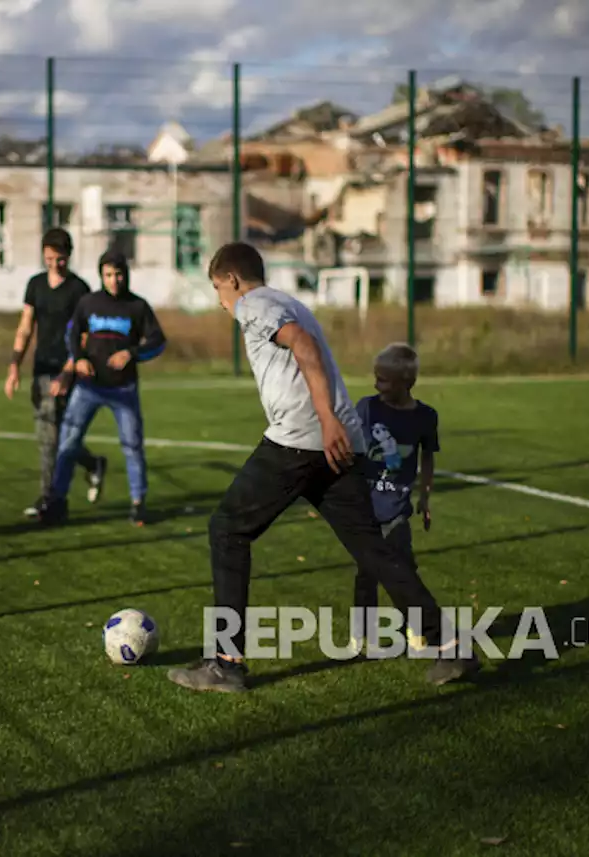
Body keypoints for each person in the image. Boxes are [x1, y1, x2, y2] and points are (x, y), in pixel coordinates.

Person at [166, 242, 477, 693]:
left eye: (218, 288)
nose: (219, 300)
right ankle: (450, 645)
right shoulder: (288, 300)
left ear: (233, 279)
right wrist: (333, 422)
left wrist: (325, 416)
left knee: (227, 529)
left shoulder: (254, 304)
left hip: (301, 439)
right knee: (372, 548)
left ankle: (225, 661)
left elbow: (303, 345)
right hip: (337, 442)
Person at [40, 247, 166, 527]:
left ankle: (138, 503)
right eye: (108, 275)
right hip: (88, 388)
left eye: (119, 274)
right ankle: (57, 502)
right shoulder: (88, 303)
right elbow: (71, 334)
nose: (114, 280)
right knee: (69, 443)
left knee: (132, 446)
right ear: (101, 276)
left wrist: (131, 353)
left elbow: (158, 340)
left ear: (126, 275)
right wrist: (79, 359)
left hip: (124, 390)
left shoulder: (137, 306)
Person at [4, 228, 106, 520]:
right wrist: (14, 365)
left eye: (59, 259)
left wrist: (67, 371)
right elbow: (25, 327)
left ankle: (50, 499)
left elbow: (85, 336)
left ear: (69, 256)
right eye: (49, 258)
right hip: (41, 369)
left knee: (49, 437)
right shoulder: (35, 285)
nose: (54, 264)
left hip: (67, 372)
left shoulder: (79, 289)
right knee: (59, 437)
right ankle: (92, 464)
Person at [351, 342, 438, 655]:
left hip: (397, 509)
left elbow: (427, 459)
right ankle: (363, 633)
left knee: (403, 568)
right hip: (364, 508)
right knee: (366, 571)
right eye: (376, 378)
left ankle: (417, 627)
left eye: (384, 380)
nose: (377, 385)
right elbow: (352, 450)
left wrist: (425, 497)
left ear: (407, 383)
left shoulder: (425, 417)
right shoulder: (366, 407)